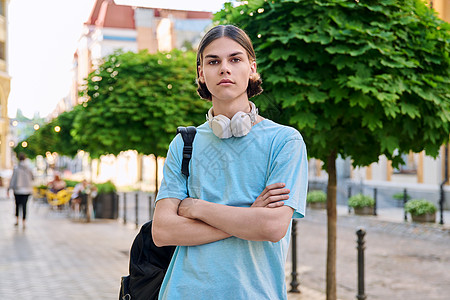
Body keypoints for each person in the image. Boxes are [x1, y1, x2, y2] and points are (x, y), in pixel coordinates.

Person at [152, 25, 308, 299]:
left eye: (235, 59)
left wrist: (196, 207)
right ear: (202, 72)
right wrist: (249, 216)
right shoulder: (184, 143)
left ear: (252, 69)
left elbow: (271, 227)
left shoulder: (285, 141)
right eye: (213, 61)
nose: (225, 68)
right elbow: (163, 231)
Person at [8, 153, 34, 228]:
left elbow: (13, 179)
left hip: (18, 190)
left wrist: (9, 188)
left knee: (17, 205)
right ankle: (24, 222)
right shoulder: (29, 168)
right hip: (27, 190)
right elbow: (32, 177)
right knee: (24, 206)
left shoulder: (16, 168)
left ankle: (17, 220)